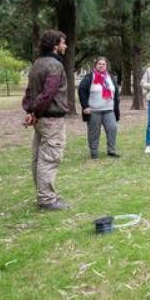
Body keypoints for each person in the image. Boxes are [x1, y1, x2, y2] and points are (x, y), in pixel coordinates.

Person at [21, 30, 70, 211]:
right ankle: (47, 199)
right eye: (63, 43)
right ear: (56, 45)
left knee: (38, 157)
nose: (65, 46)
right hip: (51, 120)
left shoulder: (37, 64)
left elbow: (30, 92)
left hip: (41, 118)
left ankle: (44, 194)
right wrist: (35, 110)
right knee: (49, 157)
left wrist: (32, 111)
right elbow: (48, 93)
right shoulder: (54, 65)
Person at [78, 57, 121, 159]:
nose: (101, 65)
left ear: (106, 66)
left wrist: (116, 105)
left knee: (112, 128)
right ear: (95, 65)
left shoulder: (109, 77)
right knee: (94, 132)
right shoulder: (90, 77)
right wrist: (85, 106)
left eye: (103, 64)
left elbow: (115, 92)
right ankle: (94, 153)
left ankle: (111, 150)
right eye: (99, 64)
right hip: (94, 110)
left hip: (109, 109)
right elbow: (81, 90)